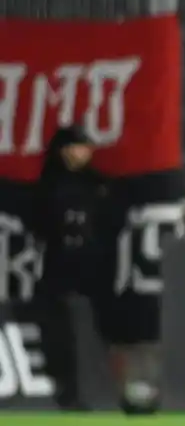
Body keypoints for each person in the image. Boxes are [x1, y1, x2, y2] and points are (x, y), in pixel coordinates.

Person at [29, 126, 110, 411]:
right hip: (59, 269)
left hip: (94, 270)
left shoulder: (98, 184)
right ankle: (66, 390)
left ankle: (105, 390)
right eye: (79, 146)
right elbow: (39, 227)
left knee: (97, 331)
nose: (85, 152)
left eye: (86, 146)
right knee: (60, 330)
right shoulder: (49, 186)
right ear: (63, 150)